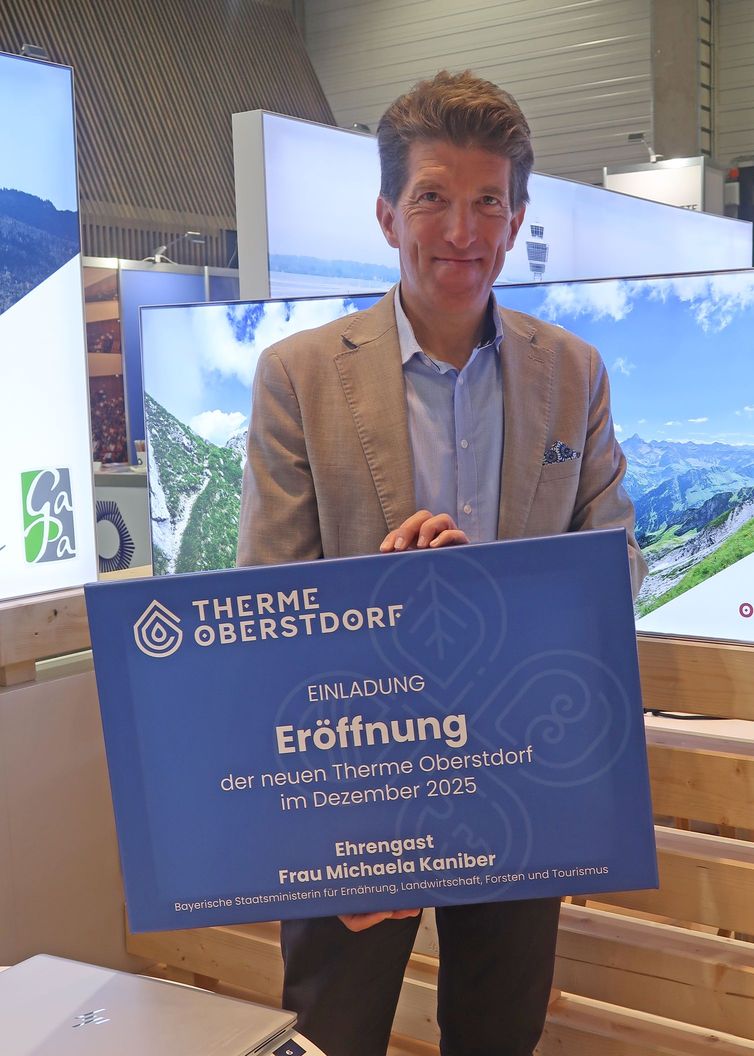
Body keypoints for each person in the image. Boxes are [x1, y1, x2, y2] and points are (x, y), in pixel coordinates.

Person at [238, 69, 646, 1056]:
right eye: (432, 197)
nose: (461, 230)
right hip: (356, 780)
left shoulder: (574, 374)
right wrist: (379, 600)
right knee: (331, 1034)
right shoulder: (298, 376)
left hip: (519, 770)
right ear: (387, 215)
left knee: (499, 1035)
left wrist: (489, 592)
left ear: (516, 221)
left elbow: (617, 566)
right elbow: (266, 602)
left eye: (487, 203)